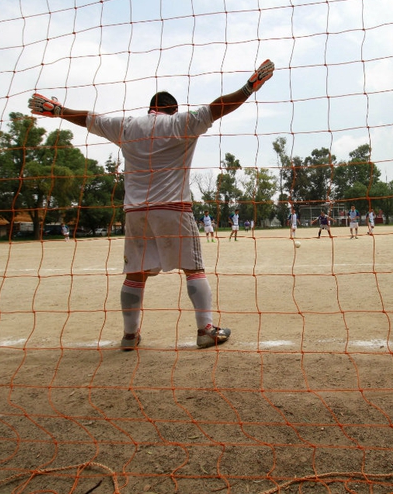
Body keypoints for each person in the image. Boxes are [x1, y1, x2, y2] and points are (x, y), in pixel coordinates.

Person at [28, 59, 274, 350]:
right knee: (193, 269)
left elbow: (88, 118)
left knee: (135, 275)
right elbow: (219, 106)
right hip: (173, 208)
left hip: (135, 212)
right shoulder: (181, 122)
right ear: (173, 109)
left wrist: (58, 110)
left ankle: (130, 337)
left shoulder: (126, 126)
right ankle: (205, 330)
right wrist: (249, 87)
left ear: (150, 108)